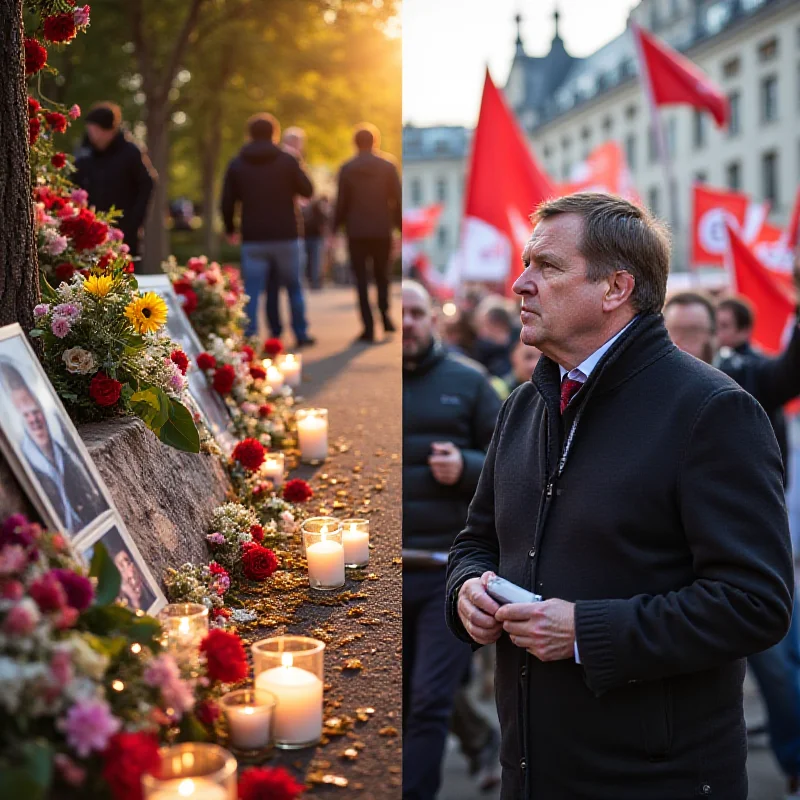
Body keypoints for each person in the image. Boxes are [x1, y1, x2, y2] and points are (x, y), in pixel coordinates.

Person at [446, 193, 793, 800]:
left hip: (654, 779)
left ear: (615, 288)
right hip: (530, 770)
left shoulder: (712, 410)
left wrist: (585, 631)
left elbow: (754, 602)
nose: (521, 283)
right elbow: (477, 541)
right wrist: (466, 592)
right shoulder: (523, 405)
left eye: (547, 267)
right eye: (527, 264)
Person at [664, 290, 800, 797]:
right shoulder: (646, 388)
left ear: (715, 335)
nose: (685, 342)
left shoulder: (745, 376)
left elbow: (789, 373)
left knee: (775, 663)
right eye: (675, 331)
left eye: (696, 332)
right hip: (676, 560)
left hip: (745, 549)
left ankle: (794, 759)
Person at [402, 281, 502, 800]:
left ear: (433, 320)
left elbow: (515, 466)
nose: (407, 323)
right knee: (391, 703)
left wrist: (466, 467)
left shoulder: (471, 382)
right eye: (397, 314)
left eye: (416, 312)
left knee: (428, 703)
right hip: (382, 574)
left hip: (448, 573)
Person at [221, 113, 315, 348]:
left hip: (254, 237)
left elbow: (226, 201)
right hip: (286, 235)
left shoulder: (237, 163)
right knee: (294, 287)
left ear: (249, 135)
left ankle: (250, 337)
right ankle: (300, 333)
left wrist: (231, 228)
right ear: (275, 134)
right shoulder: (288, 160)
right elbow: (307, 190)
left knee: (252, 290)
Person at [0, 361, 107, 536]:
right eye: (26, 415)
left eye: (35, 412)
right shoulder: (28, 461)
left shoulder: (66, 454)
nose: (34, 421)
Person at [334, 124, 402, 343]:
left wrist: (335, 228)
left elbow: (341, 203)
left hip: (356, 231)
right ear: (376, 141)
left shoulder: (347, 168)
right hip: (382, 230)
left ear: (355, 143)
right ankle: (385, 315)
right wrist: (400, 228)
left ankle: (368, 326)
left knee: (361, 279)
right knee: (383, 275)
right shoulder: (388, 166)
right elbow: (397, 199)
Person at [73, 102, 156, 260]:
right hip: (90, 234)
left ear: (109, 131)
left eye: (96, 131)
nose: (92, 136)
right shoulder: (85, 153)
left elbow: (147, 184)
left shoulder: (130, 153)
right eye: (90, 131)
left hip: (124, 234)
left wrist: (134, 222)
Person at [303, 195, 331, 290]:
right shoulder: (320, 209)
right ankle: (315, 283)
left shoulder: (307, 208)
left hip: (305, 237)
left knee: (308, 261)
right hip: (316, 238)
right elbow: (324, 223)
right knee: (316, 261)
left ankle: (310, 280)